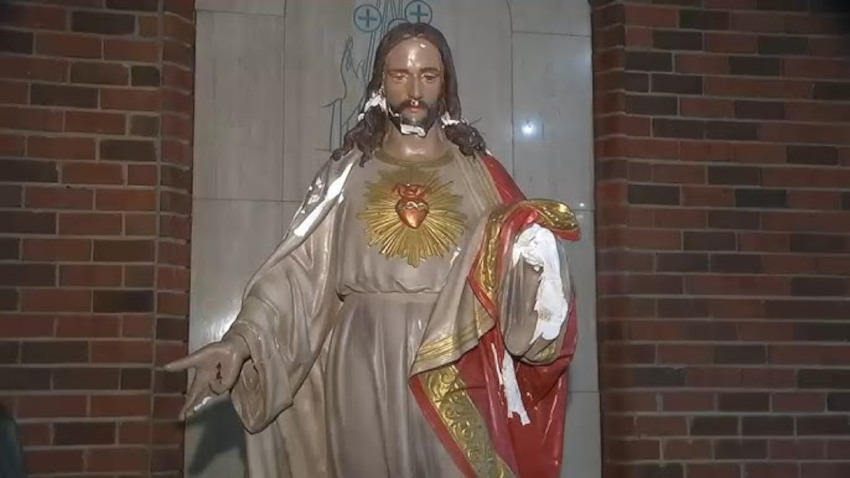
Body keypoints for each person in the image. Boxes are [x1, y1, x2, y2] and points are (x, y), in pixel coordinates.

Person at [167, 22, 579, 478]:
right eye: (400, 75)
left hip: (455, 356)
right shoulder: (346, 175)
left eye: (428, 75)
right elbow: (297, 276)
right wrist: (241, 341)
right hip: (361, 358)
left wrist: (538, 259)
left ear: (446, 84)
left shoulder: (481, 175)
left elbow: (521, 265)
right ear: (380, 84)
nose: (415, 90)